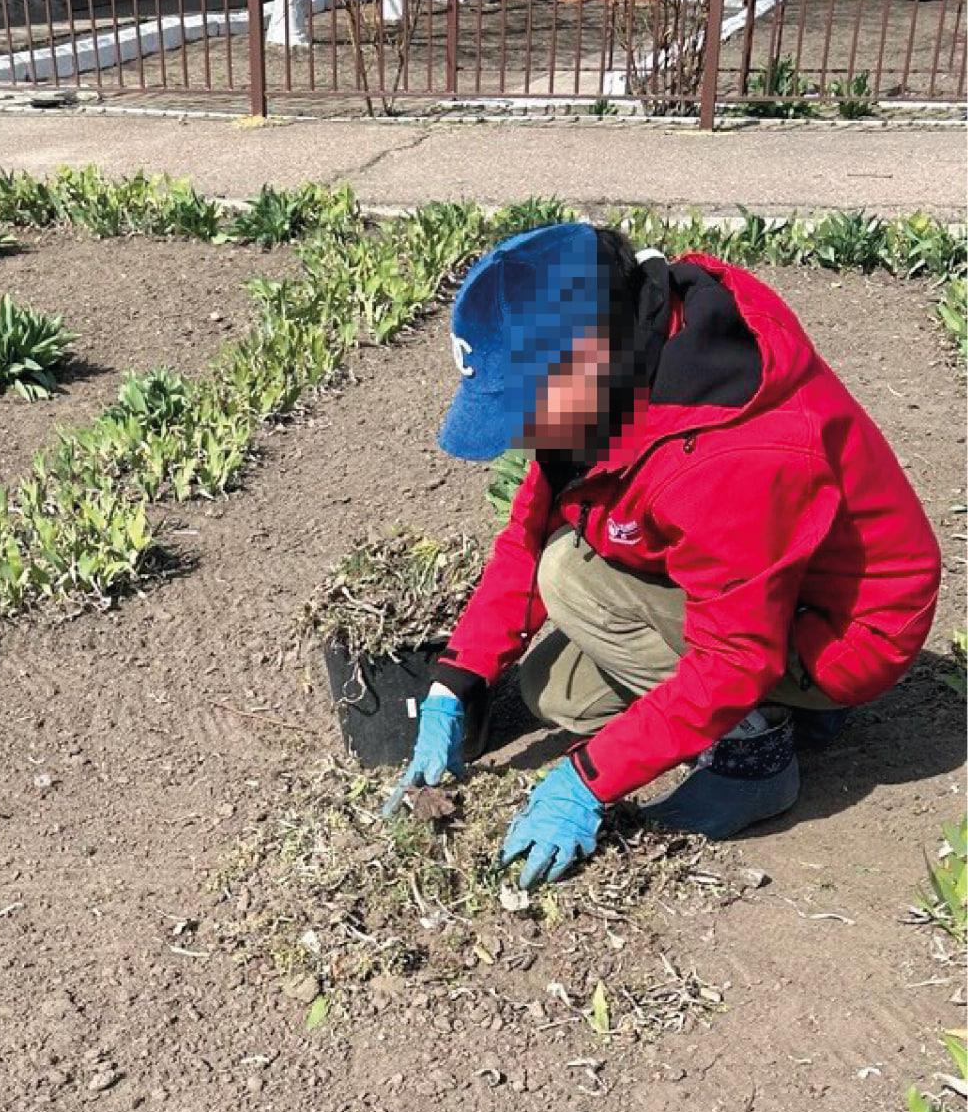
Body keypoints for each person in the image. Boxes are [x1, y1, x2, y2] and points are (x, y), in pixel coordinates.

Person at [398, 222, 941, 888]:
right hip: (770, 582)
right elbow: (528, 529)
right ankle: (798, 713)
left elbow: (737, 657)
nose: (515, 429)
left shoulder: (728, 453)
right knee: (554, 690)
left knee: (569, 577)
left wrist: (585, 780)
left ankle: (759, 757)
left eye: (520, 406)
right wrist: (455, 680)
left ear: (588, 363)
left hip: (847, 633)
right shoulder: (622, 363)